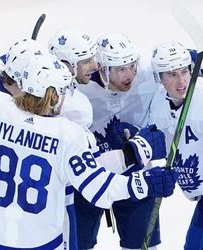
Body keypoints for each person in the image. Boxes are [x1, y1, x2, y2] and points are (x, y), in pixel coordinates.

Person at [0, 51, 178, 249]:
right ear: (52, 95)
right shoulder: (68, 136)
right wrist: (145, 182)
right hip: (43, 243)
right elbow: (99, 189)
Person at [70, 32, 162, 250]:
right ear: (102, 69)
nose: (129, 74)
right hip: (90, 177)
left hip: (135, 174)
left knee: (142, 247)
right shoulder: (77, 89)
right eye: (121, 69)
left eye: (132, 66)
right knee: (77, 245)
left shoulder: (147, 77)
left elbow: (185, 61)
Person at [146, 40, 203, 250]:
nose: (181, 81)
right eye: (171, 74)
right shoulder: (159, 101)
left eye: (184, 71)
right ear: (158, 77)